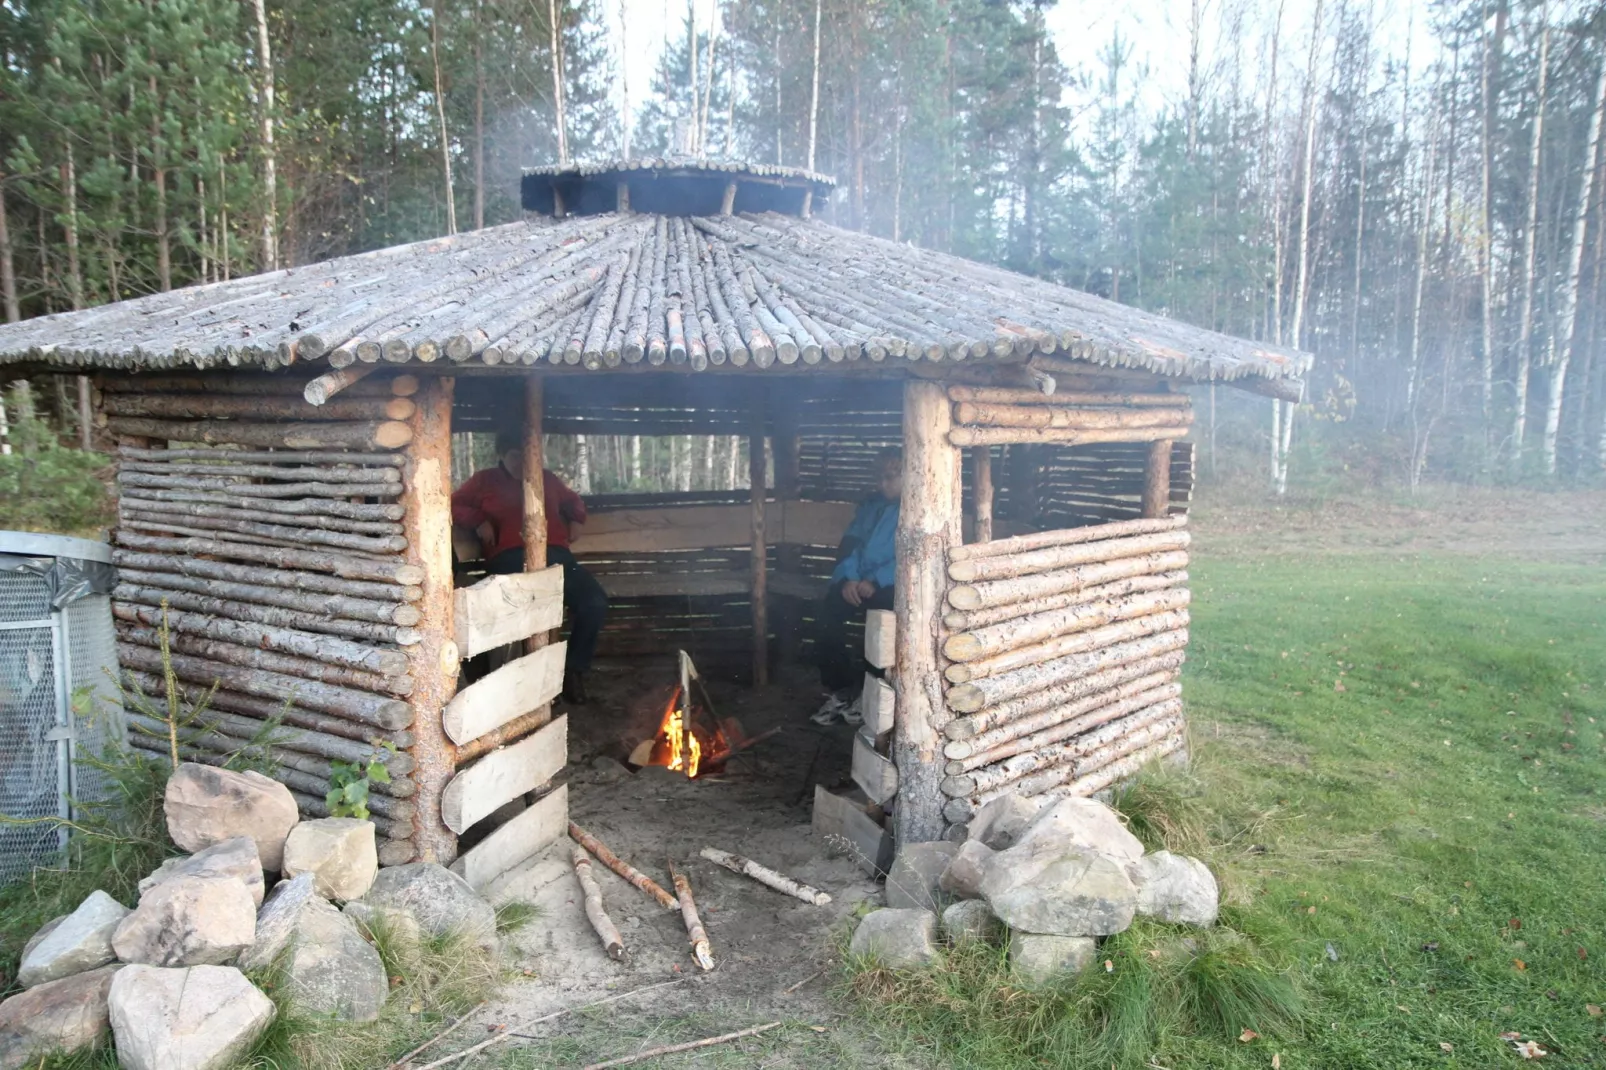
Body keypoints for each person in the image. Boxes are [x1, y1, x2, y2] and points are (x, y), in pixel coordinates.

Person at [451, 430, 607, 704]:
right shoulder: (485, 480)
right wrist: (478, 520)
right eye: (514, 456)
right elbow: (453, 504)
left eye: (526, 456)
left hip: (557, 557)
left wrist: (577, 518)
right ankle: (528, 682)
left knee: (594, 602)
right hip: (509, 558)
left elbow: (573, 501)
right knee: (525, 612)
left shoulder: (546, 479)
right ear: (501, 455)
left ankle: (573, 671)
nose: (520, 462)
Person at [813, 448, 902, 725]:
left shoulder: (918, 509)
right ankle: (840, 691)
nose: (881, 484)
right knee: (826, 618)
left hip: (891, 585)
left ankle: (868, 696)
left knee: (881, 630)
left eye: (889, 477)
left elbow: (913, 556)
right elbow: (849, 545)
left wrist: (877, 580)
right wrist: (849, 579)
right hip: (858, 582)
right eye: (879, 477)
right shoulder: (870, 506)